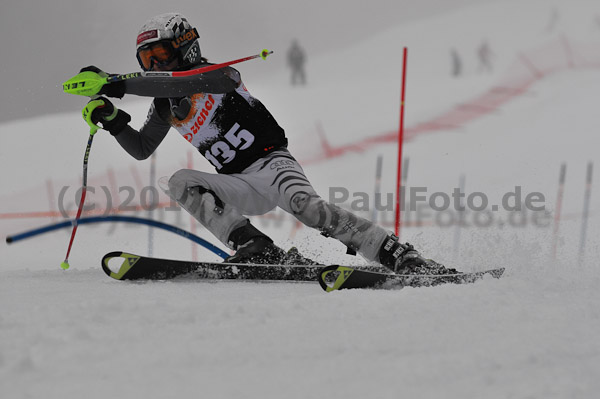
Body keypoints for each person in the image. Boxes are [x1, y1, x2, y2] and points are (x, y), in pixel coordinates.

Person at [81, 13, 430, 272]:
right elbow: (141, 148)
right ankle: (255, 246)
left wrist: (115, 83)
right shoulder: (164, 105)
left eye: (161, 54)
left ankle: (393, 252)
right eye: (147, 60)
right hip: (239, 183)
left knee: (306, 207)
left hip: (273, 165)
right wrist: (112, 122)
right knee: (179, 182)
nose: (156, 65)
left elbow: (177, 83)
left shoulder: (219, 75)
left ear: (187, 47)